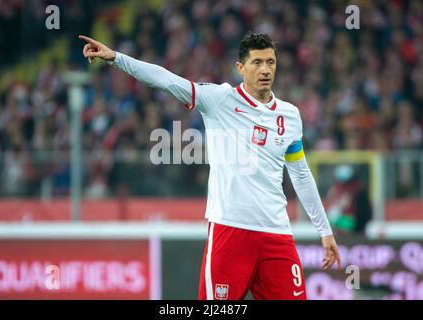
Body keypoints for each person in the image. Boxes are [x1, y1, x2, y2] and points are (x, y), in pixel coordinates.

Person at [79, 32, 341, 300]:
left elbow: (300, 173)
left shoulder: (290, 115)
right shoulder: (219, 100)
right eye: (257, 63)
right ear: (240, 68)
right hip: (231, 231)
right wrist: (116, 58)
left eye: (271, 62)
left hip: (277, 235)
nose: (265, 70)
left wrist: (325, 230)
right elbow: (167, 80)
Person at [326, 165, 372, 235]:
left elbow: (364, 213)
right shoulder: (334, 190)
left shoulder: (359, 191)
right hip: (339, 229)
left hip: (355, 229)